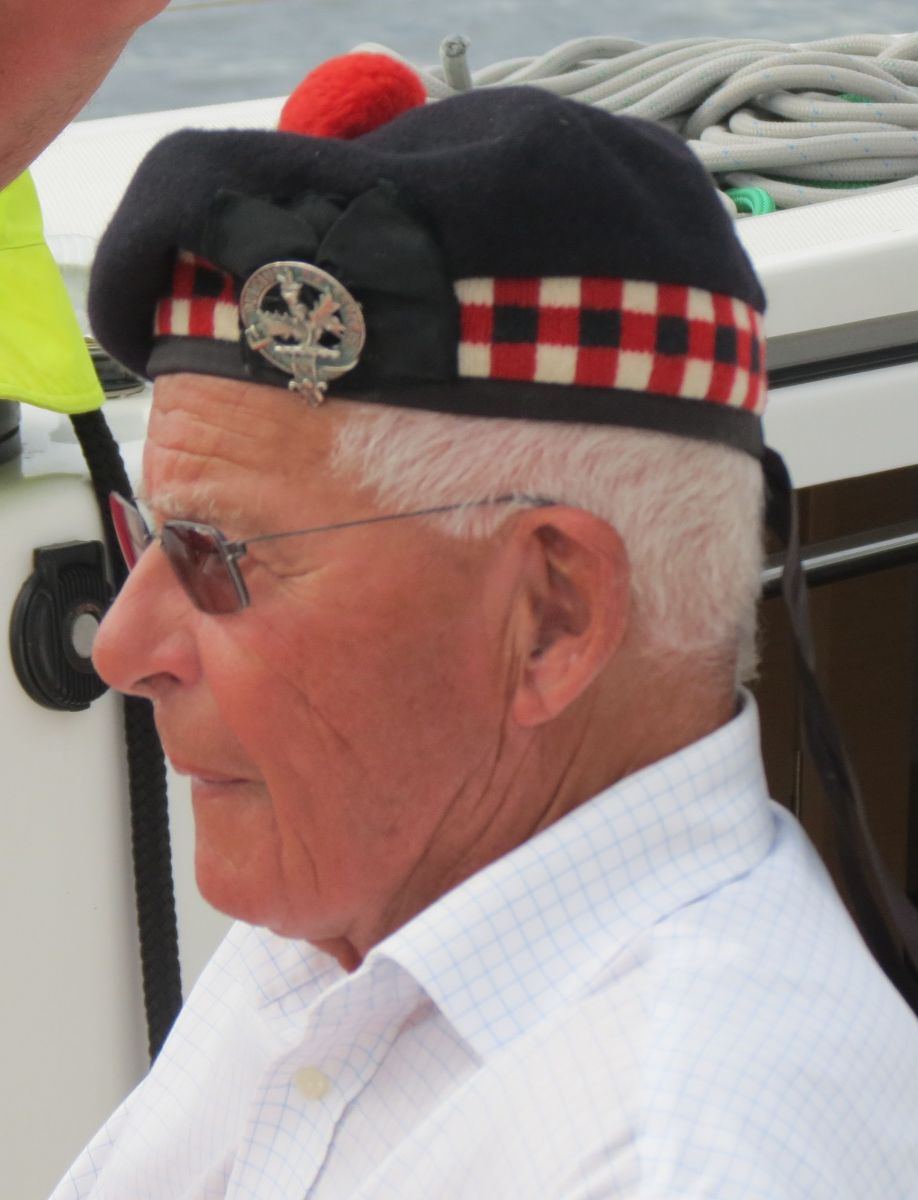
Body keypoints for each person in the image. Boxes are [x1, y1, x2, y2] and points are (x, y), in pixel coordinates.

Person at [51, 54, 918, 1200]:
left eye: (214, 556)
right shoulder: (359, 900)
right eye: (147, 537)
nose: (122, 649)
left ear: (552, 618)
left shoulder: (678, 1158)